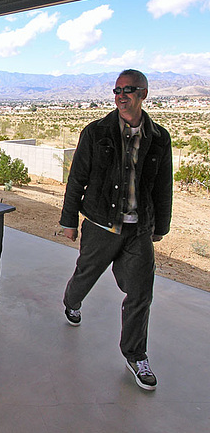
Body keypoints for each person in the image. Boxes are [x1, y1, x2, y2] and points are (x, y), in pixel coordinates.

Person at [60, 69, 172, 391]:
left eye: (129, 90)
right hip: (99, 225)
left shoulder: (159, 138)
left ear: (143, 94)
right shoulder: (97, 132)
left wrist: (159, 227)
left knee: (140, 292)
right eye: (117, 90)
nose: (121, 95)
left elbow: (163, 187)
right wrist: (69, 220)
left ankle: (135, 354)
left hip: (139, 230)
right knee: (84, 276)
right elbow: (77, 177)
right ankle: (71, 301)